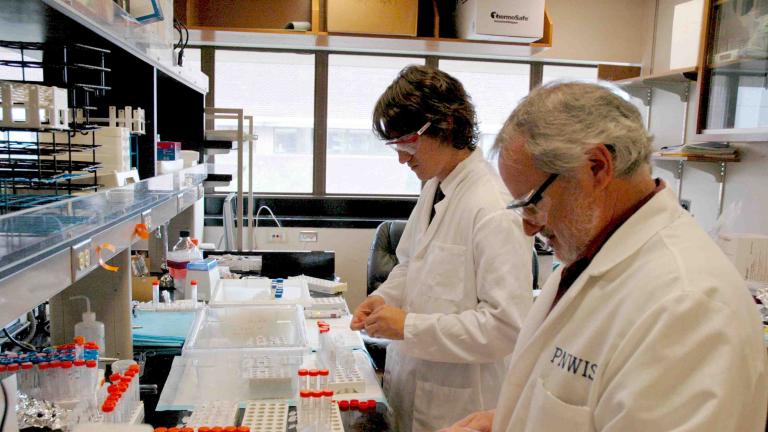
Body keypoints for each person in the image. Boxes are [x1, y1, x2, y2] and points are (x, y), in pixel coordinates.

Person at [441, 82, 768, 432]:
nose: (528, 227)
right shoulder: (589, 254)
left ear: (597, 167)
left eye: (533, 203)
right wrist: (512, 419)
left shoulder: (689, 306)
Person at [350, 65, 533, 432]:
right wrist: (384, 298)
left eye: (407, 143)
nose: (402, 158)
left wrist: (410, 326)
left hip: (461, 405)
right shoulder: (436, 187)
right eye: (395, 146)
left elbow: (505, 326)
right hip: (412, 384)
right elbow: (409, 264)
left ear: (446, 124)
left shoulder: (493, 207)